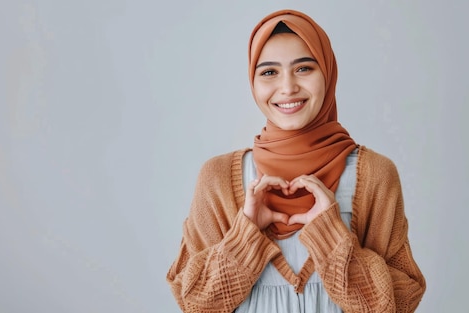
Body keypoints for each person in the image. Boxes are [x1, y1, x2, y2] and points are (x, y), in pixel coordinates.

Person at [166, 9, 426, 313]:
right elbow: (195, 303)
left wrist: (331, 236)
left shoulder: (374, 175)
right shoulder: (218, 178)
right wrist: (245, 231)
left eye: (304, 68)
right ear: (253, 81)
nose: (288, 87)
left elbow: (401, 303)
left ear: (327, 72)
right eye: (269, 72)